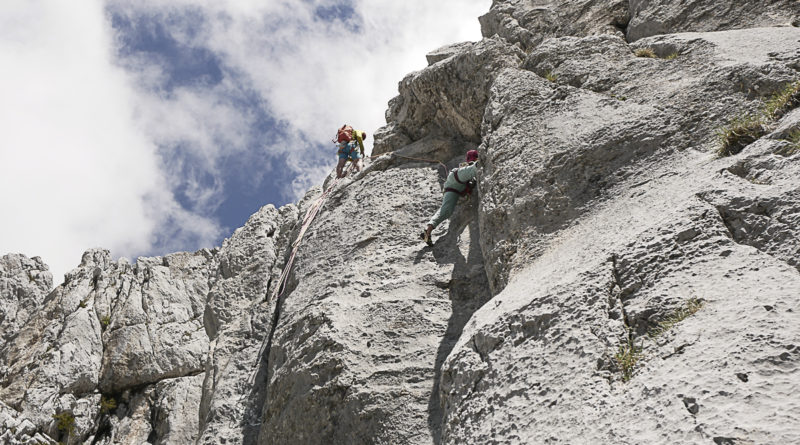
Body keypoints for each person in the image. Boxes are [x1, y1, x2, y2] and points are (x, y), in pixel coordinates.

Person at [421, 149, 479, 246]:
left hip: (453, 185)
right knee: (473, 169)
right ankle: (477, 165)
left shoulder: (464, 166)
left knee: (446, 210)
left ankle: (427, 231)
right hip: (457, 178)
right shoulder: (467, 166)